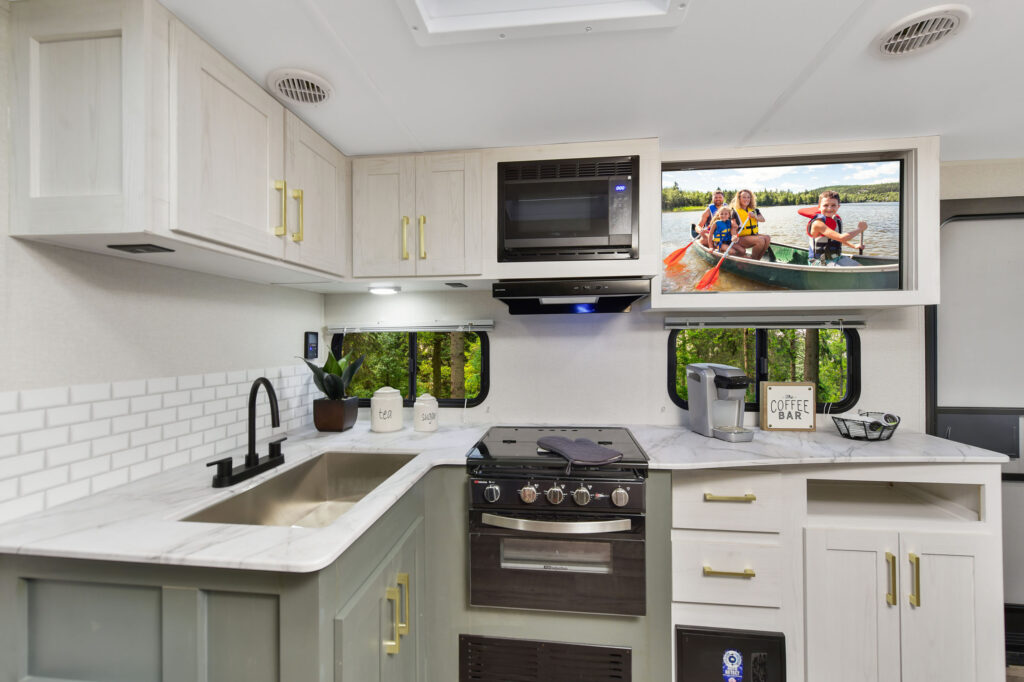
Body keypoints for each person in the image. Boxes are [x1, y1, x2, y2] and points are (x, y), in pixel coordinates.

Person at [806, 190, 868, 266]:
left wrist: (854, 246)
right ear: (819, 207)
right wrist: (860, 229)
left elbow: (837, 239)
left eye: (833, 205)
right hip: (819, 261)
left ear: (838, 206)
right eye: (825, 205)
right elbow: (842, 237)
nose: (829, 208)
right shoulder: (818, 223)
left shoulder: (835, 220)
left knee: (861, 268)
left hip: (836, 257)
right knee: (846, 271)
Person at [729, 189, 771, 260]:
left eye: (748, 197)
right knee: (760, 240)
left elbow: (762, 219)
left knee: (767, 238)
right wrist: (734, 236)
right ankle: (753, 259)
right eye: (744, 197)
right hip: (740, 238)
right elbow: (733, 226)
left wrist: (755, 216)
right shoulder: (734, 211)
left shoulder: (754, 210)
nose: (746, 199)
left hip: (752, 236)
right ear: (739, 198)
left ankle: (757, 259)